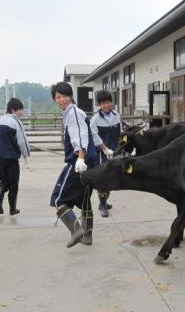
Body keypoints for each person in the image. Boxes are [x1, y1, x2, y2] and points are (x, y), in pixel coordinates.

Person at [50, 82, 97, 247]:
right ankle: (88, 236)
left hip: (79, 162)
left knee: (58, 199)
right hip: (92, 162)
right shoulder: (76, 113)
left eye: (63, 96)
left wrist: (80, 157)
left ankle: (76, 230)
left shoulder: (73, 113)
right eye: (57, 97)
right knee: (84, 199)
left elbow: (80, 135)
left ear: (70, 96)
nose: (61, 99)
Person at [0, 98, 30, 215]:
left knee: (3, 180)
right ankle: (12, 209)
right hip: (12, 158)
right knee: (13, 183)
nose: (21, 113)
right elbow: (22, 141)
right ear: (13, 110)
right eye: (20, 110)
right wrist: (26, 156)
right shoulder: (16, 122)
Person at [90, 90, 120, 217]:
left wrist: (119, 148)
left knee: (113, 178)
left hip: (115, 151)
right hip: (102, 154)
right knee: (103, 178)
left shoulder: (116, 115)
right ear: (99, 105)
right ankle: (102, 205)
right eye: (103, 103)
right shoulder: (95, 120)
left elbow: (120, 132)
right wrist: (105, 149)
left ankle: (104, 201)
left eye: (108, 102)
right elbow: (95, 136)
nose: (106, 105)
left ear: (111, 103)